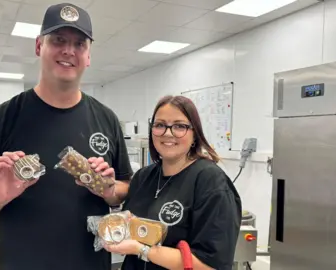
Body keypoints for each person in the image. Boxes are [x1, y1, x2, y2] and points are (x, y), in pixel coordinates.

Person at [0, 3, 133, 270]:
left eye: (79, 44)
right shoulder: (3, 117)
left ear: (88, 56)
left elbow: (124, 187)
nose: (69, 50)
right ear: (39, 46)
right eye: (59, 40)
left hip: (90, 263)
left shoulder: (106, 118)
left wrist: (109, 190)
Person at [103, 95, 242, 270]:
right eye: (160, 125)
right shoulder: (144, 177)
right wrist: (104, 189)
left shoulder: (211, 182)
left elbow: (212, 265)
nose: (168, 133)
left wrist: (142, 250)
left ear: (195, 133)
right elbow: (127, 229)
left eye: (179, 126)